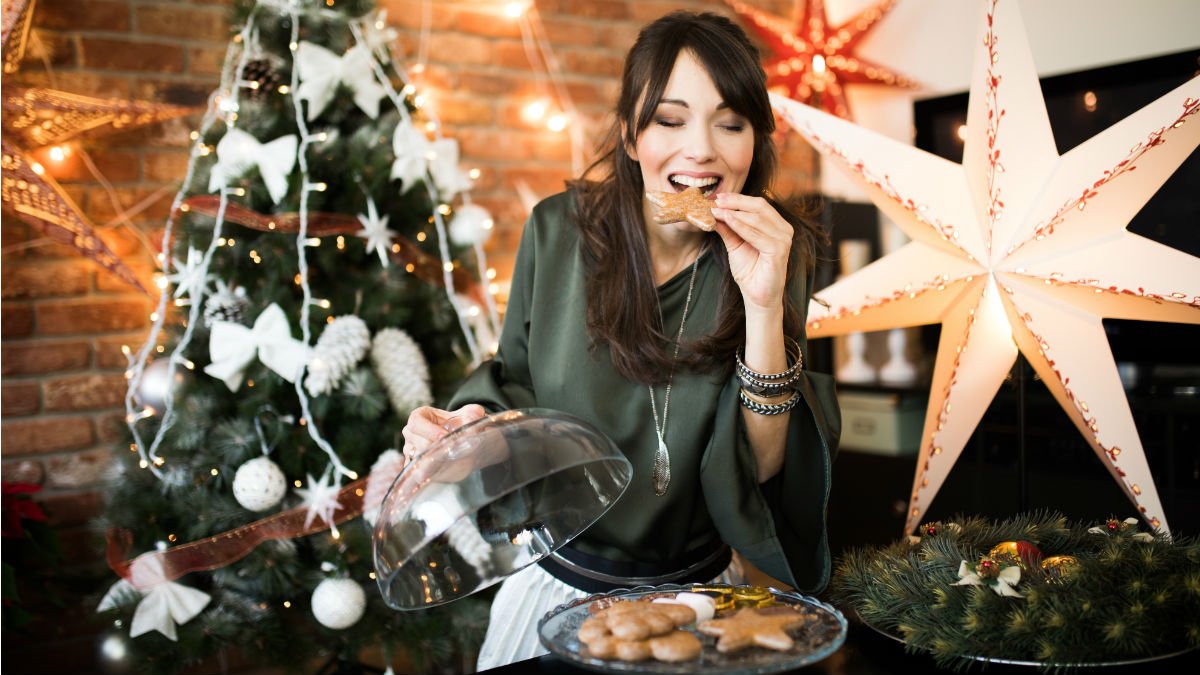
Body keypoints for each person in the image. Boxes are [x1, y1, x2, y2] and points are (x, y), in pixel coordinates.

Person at [401, 10, 840, 670]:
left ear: (756, 139)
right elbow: (514, 384)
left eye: (731, 122)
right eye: (669, 119)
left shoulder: (779, 250)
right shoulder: (557, 231)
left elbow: (764, 469)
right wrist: (465, 430)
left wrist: (762, 301)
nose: (701, 149)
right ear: (632, 137)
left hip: (698, 601)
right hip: (554, 587)